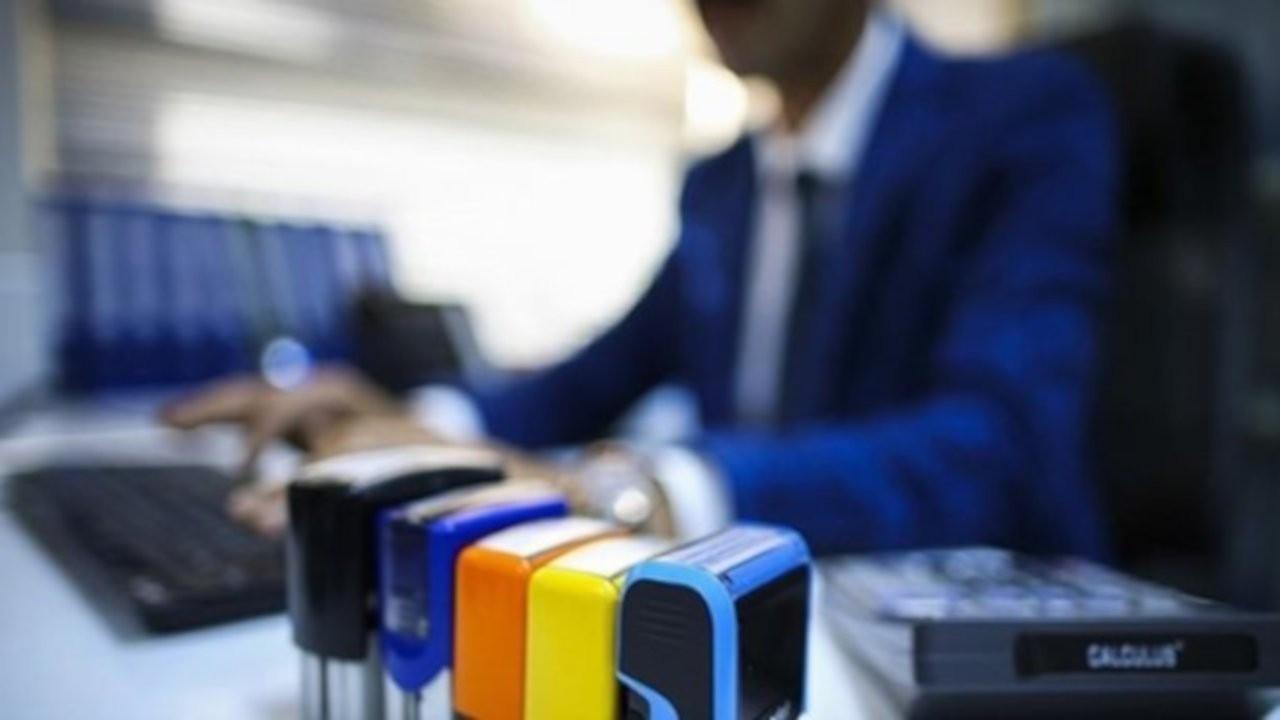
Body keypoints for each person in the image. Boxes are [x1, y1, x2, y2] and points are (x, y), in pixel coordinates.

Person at [164, 0, 1117, 557]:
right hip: (748, 607)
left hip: (959, 635)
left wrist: (627, 490)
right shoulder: (723, 184)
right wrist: (414, 422)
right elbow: (591, 379)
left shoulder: (1026, 117)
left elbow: (999, 445)